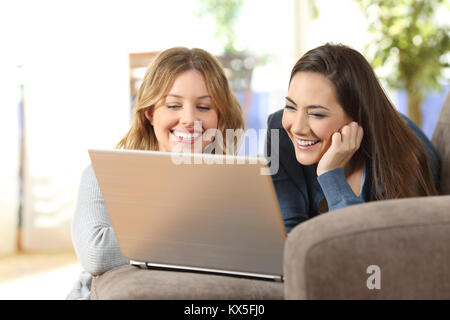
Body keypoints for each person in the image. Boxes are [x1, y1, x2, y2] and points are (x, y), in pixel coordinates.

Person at [67, 47, 245, 299]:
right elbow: (97, 253)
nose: (189, 118)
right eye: (173, 105)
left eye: (204, 107)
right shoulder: (101, 174)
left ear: (219, 117)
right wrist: (203, 235)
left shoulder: (237, 183)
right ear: (149, 113)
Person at [266, 43, 440, 234]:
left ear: (358, 118)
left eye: (316, 114)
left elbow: (369, 251)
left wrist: (330, 174)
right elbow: (287, 238)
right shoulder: (280, 132)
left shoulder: (404, 157)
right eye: (291, 107)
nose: (297, 127)